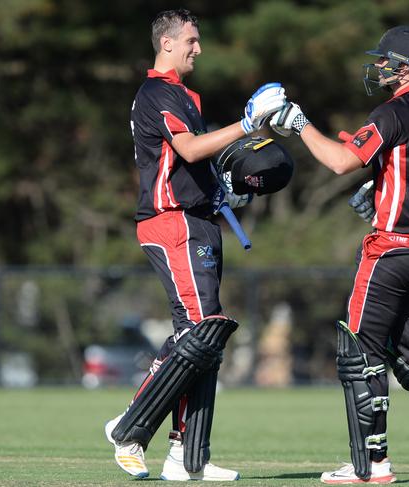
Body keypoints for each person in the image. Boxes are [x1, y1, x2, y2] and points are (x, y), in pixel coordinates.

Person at [270, 25, 409, 484]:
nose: (380, 67)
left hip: (391, 249)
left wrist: (298, 122)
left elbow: (341, 161)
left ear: (406, 68)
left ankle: (372, 465)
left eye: (387, 61)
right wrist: (381, 186)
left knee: (360, 352)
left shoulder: (394, 111)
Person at [104, 9, 286, 481]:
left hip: (200, 220)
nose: (198, 48)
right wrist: (249, 124)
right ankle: (129, 429)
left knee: (206, 338)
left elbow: (193, 163)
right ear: (166, 43)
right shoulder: (156, 92)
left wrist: (227, 187)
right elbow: (187, 150)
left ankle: (188, 458)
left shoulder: (185, 95)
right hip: (171, 222)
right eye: (191, 40)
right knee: (202, 329)